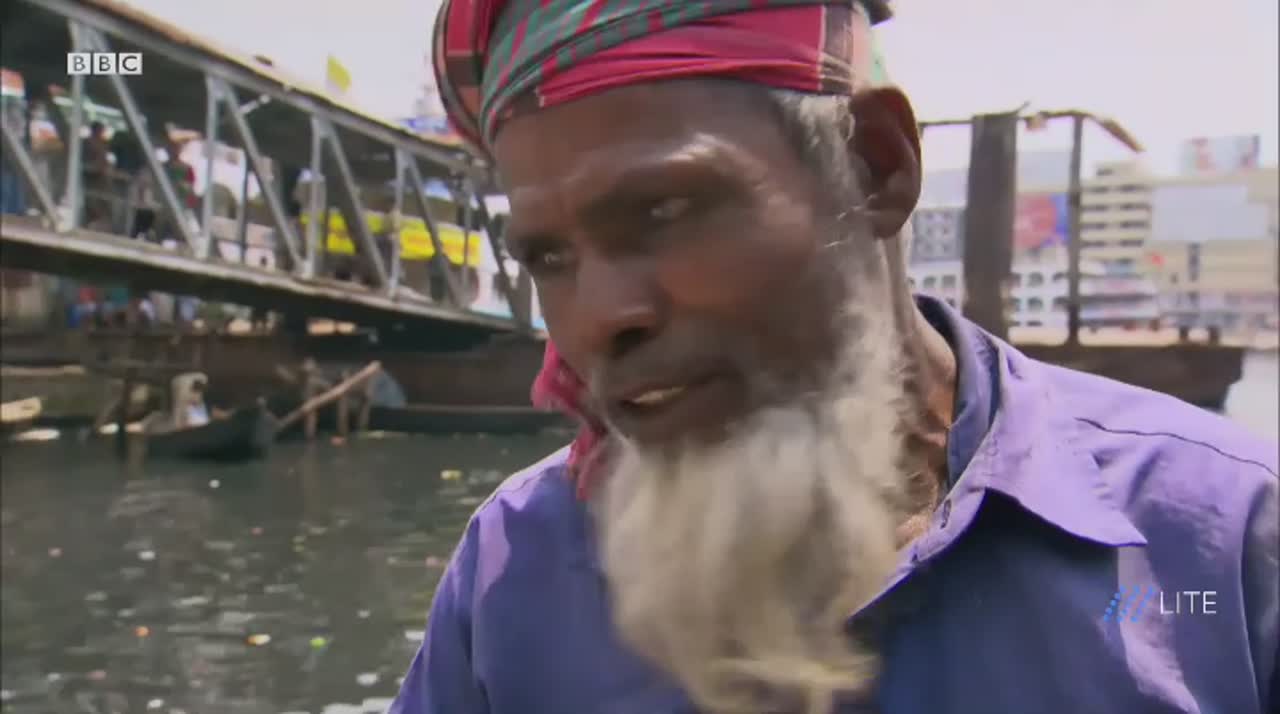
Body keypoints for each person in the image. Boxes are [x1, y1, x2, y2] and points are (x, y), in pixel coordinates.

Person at [392, 2, 1278, 714]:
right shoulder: (514, 571)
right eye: (549, 257)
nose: (598, 319)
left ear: (875, 166)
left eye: (663, 211)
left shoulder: (1224, 540)